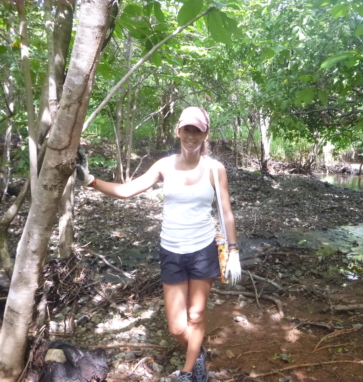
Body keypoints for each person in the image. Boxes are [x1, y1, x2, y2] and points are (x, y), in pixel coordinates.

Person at [76, 107, 241, 382]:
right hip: (172, 251)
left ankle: (189, 372)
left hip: (203, 249)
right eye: (186, 129)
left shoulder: (215, 168)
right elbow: (127, 190)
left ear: (205, 134)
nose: (191, 135)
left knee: (197, 314)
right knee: (177, 327)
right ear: (178, 131)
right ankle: (197, 351)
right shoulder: (164, 165)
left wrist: (233, 250)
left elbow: (226, 212)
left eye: (197, 130)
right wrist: (90, 180)